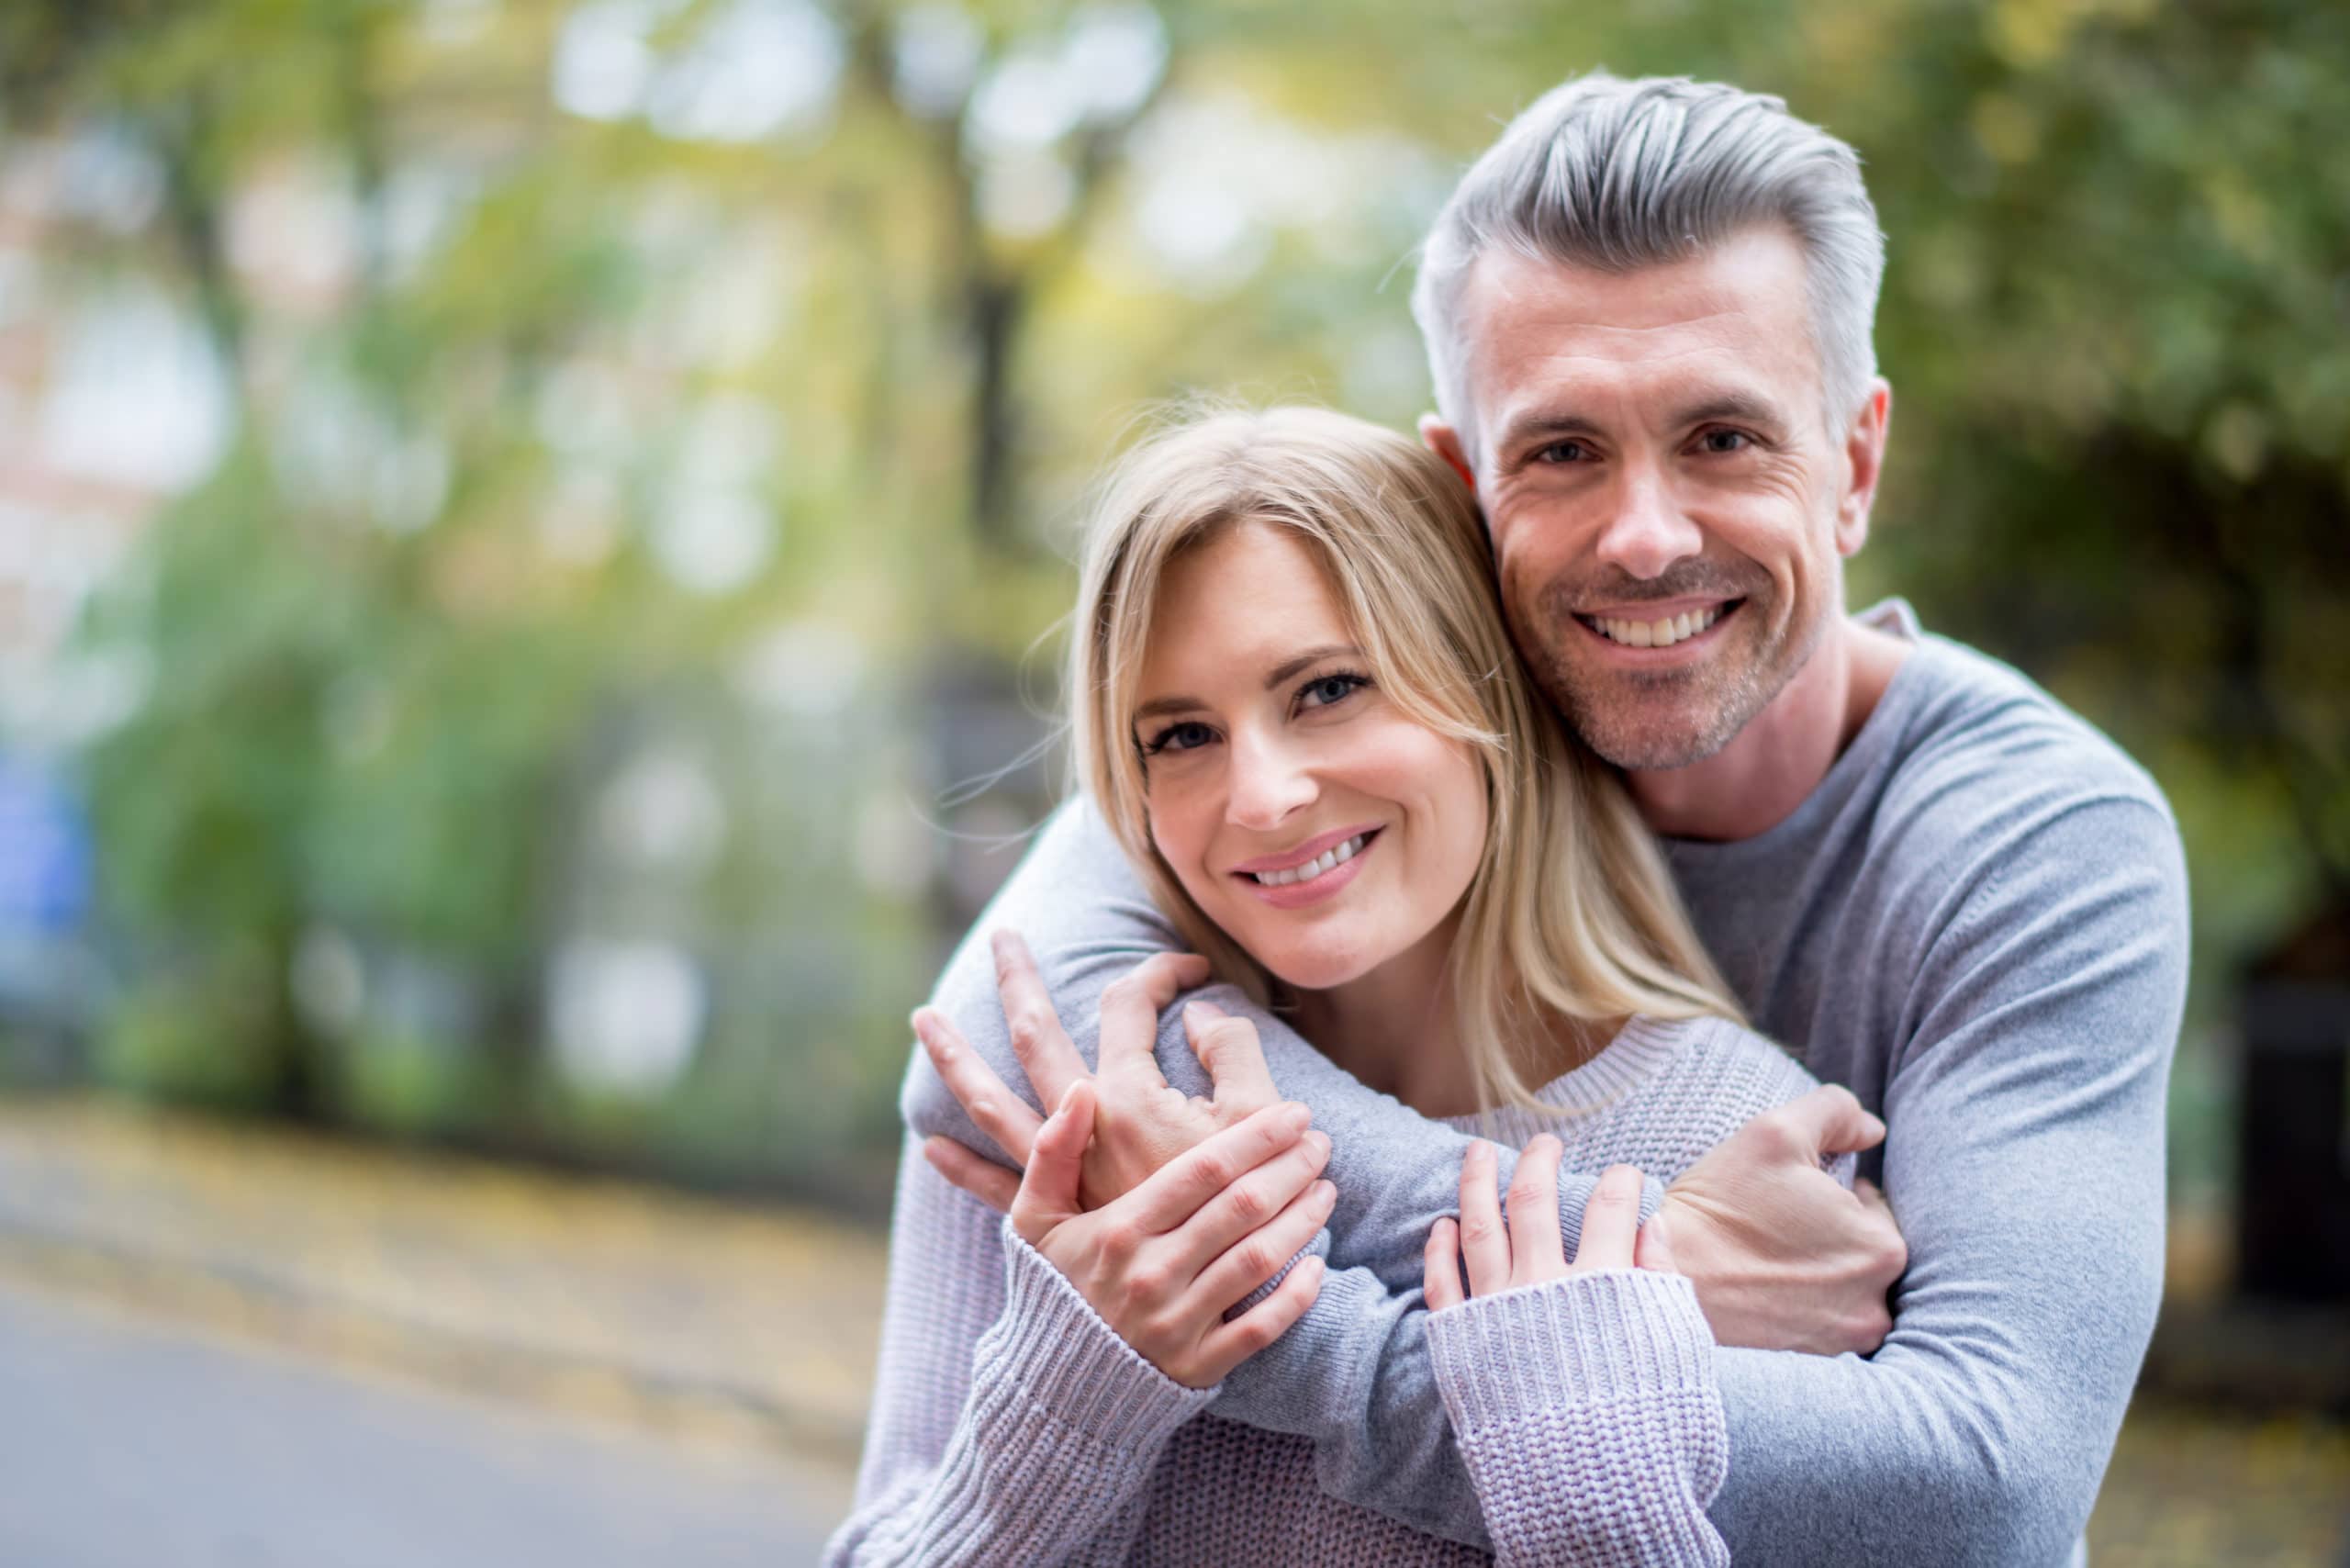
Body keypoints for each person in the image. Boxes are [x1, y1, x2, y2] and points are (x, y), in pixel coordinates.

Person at [894, 71, 2188, 1566]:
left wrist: (1292, 1333)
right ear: (1466, 487)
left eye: (1724, 437)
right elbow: (1002, 1054)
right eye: (1563, 449)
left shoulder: (2035, 841)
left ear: (1854, 462)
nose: (1644, 536)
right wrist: (1646, 1260)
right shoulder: (1372, 704)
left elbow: (1977, 1492)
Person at [829, 404, 1870, 1566]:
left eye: (1326, 689)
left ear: (1485, 689)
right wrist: (1077, 1382)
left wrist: (1576, 1485)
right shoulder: (1088, 1120)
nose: (1261, 796)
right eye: (1179, 735)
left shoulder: (1761, 1174)